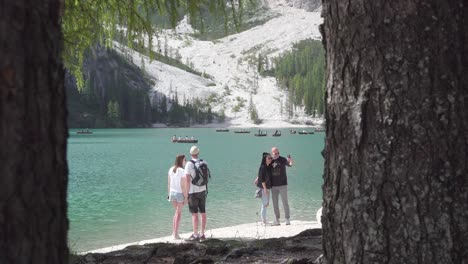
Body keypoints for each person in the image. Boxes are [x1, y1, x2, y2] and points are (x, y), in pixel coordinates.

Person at [184, 145, 208, 242]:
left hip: (193, 192)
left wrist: (186, 194)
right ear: (198, 153)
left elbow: (187, 180)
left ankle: (195, 234)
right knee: (203, 212)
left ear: (190, 154)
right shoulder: (204, 162)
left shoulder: (189, 164)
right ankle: (202, 233)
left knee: (194, 214)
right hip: (202, 190)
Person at [270, 146, 293, 225]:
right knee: (275, 203)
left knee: (285, 202)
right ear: (272, 153)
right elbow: (264, 170)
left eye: (278, 153)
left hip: (283, 185)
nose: (276, 154)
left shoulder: (282, 159)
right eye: (275, 153)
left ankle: (287, 219)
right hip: (273, 186)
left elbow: (289, 165)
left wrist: (290, 161)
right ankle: (277, 220)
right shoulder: (270, 161)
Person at [167, 154, 188, 239]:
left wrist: (168, 194)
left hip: (172, 193)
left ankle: (174, 232)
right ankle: (175, 234)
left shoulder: (171, 169)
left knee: (176, 212)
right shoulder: (182, 171)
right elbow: (183, 185)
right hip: (179, 194)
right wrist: (186, 196)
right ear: (182, 160)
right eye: (185, 160)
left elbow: (168, 183)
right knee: (178, 213)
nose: (186, 161)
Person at [254, 152, 273, 225]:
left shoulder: (268, 166)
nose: (270, 159)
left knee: (265, 204)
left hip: (267, 187)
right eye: (269, 158)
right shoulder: (263, 167)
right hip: (264, 188)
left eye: (271, 158)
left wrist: (257, 178)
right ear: (265, 159)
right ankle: (263, 221)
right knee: (265, 204)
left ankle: (264, 220)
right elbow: (262, 179)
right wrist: (265, 189)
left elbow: (260, 175)